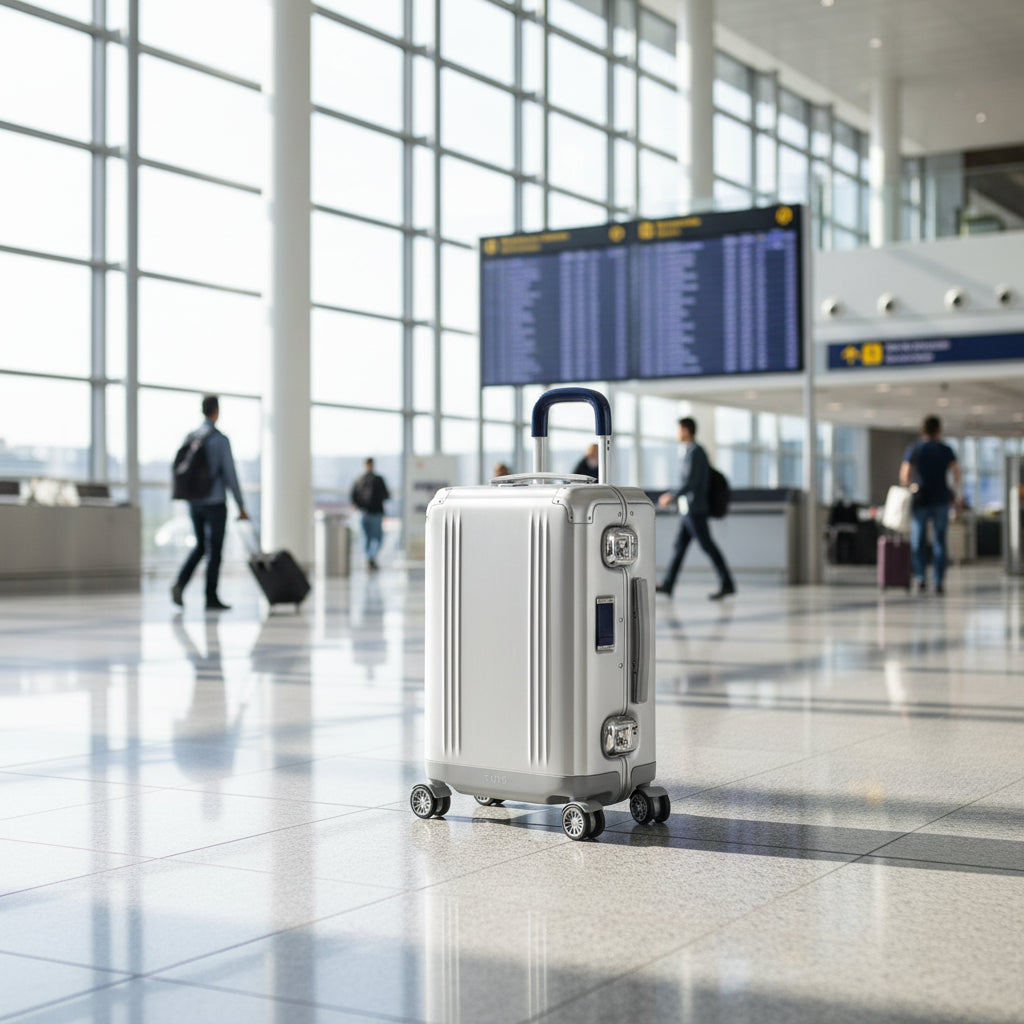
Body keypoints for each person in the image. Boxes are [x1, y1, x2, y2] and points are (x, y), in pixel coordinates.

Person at [172, 395, 249, 611]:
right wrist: (241, 505)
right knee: (214, 550)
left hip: (194, 501)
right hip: (215, 501)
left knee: (199, 546)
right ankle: (211, 597)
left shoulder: (191, 437)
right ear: (216, 411)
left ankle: (180, 583)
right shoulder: (220, 440)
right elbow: (230, 474)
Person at [655, 417, 736, 601]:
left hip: (695, 510)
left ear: (686, 430)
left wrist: (672, 496)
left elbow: (692, 482)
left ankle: (727, 583)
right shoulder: (689, 451)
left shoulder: (696, 452)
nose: (677, 433)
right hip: (687, 510)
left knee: (707, 546)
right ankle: (668, 584)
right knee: (679, 547)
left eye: (679, 429)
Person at [900, 414, 961, 595]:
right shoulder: (945, 449)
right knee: (940, 542)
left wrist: (912, 486)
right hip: (941, 499)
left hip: (921, 500)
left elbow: (904, 475)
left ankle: (920, 578)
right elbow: (956, 473)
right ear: (938, 430)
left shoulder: (915, 449)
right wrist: (954, 491)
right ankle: (939, 581)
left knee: (918, 541)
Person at [351, 458, 390, 571]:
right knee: (372, 538)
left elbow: (353, 497)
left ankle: (370, 558)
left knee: (371, 538)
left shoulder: (361, 480)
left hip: (369, 513)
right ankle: (370, 558)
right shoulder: (374, 479)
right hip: (370, 513)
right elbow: (386, 495)